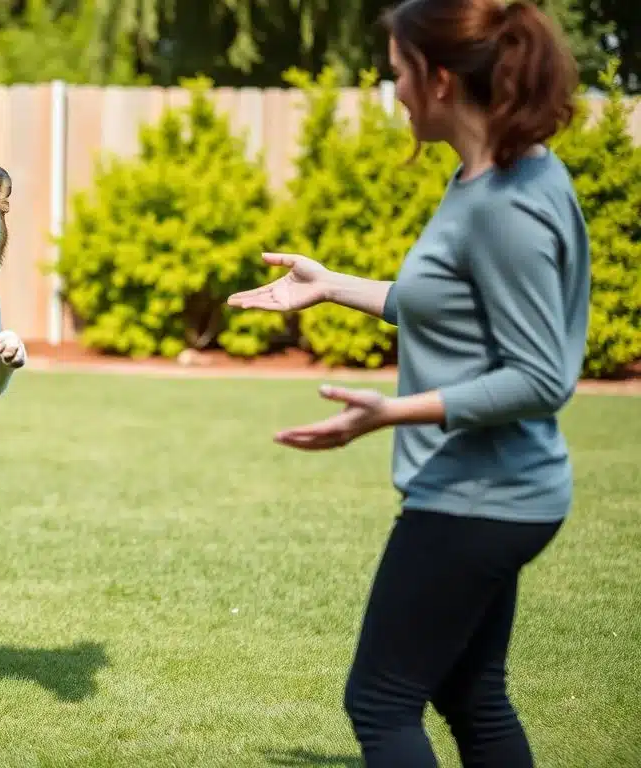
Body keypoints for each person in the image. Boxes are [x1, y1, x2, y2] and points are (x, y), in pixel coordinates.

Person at [226, 0, 590, 765]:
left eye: (397, 73)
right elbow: (446, 303)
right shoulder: (497, 177)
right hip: (501, 490)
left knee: (381, 702)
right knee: (472, 696)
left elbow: (541, 377)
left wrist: (393, 411)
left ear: (440, 80)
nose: (392, 90)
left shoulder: (506, 205)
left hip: (477, 496)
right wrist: (330, 286)